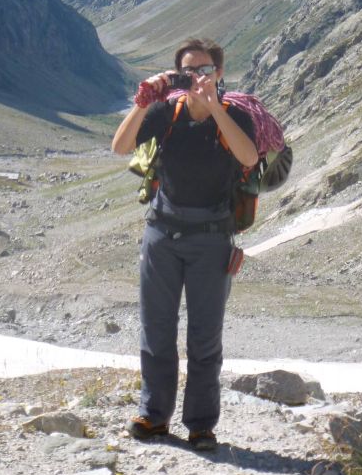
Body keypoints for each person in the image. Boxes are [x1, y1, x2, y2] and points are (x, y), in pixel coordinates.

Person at [111, 37, 258, 452]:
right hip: (162, 233)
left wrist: (213, 106)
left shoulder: (234, 116)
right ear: (179, 75)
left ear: (220, 74)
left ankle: (200, 425)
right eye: (189, 71)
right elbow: (121, 146)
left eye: (206, 70)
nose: (198, 77)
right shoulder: (166, 113)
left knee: (204, 337)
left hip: (211, 239)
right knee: (156, 329)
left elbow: (247, 157)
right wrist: (143, 101)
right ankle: (154, 415)